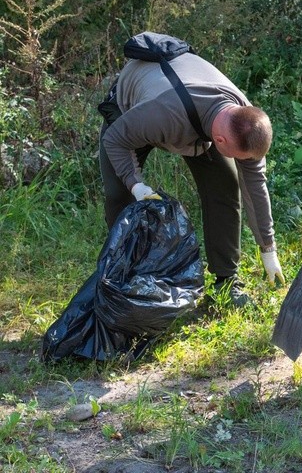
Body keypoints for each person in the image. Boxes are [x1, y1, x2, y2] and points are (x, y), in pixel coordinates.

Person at [98, 38, 284, 308]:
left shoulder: (245, 123)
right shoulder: (163, 115)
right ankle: (122, 281)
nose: (243, 163)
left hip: (190, 113)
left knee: (225, 187)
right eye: (237, 156)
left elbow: (255, 187)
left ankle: (226, 282)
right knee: (119, 196)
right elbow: (115, 139)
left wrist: (268, 248)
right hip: (132, 112)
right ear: (220, 142)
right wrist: (136, 185)